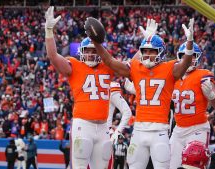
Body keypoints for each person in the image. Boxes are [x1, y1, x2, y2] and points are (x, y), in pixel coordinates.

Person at [90, 17, 195, 168]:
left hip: (160, 131)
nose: (147, 55)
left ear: (161, 53)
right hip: (139, 130)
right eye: (145, 51)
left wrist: (189, 42)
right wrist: (96, 43)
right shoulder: (136, 67)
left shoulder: (169, 68)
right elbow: (110, 61)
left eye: (152, 51)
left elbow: (186, 62)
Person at [45, 7, 113, 168]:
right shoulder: (74, 65)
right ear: (82, 52)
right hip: (83, 125)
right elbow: (53, 57)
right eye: (87, 51)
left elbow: (132, 67)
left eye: (93, 50)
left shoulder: (108, 65)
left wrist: (145, 44)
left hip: (103, 126)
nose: (90, 54)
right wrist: (49, 31)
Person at [169, 41, 215, 169]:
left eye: (193, 55)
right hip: (178, 129)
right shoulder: (173, 76)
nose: (188, 58)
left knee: (195, 165)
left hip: (197, 129)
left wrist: (212, 96)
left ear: (198, 57)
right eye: (185, 55)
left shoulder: (203, 75)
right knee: (170, 165)